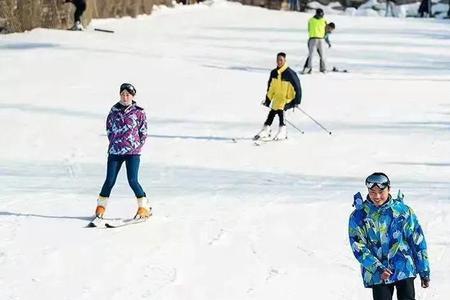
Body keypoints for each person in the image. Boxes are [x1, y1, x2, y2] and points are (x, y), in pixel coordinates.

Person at [348, 172, 430, 300]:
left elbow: (417, 241)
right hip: (378, 274)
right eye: (372, 192)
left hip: (404, 267)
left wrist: (424, 270)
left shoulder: (403, 211)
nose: (377, 196)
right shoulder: (359, 216)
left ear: (389, 189)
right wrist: (377, 268)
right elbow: (358, 246)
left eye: (381, 192)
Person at [95, 83, 151, 220]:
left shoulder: (139, 112)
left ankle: (144, 207)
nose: (125, 97)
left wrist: (136, 145)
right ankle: (101, 206)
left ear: (132, 96)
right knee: (109, 180)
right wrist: (114, 141)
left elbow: (143, 131)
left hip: (132, 152)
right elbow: (109, 129)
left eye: (128, 94)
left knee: (132, 180)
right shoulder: (114, 111)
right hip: (115, 151)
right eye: (123, 94)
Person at [254, 52, 302, 141]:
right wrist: (268, 100)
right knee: (272, 112)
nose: (279, 62)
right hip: (277, 98)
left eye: (281, 60)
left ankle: (282, 130)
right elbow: (271, 88)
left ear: (285, 60)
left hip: (288, 98)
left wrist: (297, 101)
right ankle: (266, 129)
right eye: (278, 60)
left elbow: (298, 87)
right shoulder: (273, 73)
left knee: (281, 110)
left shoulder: (290, 73)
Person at [302, 9, 328, 74]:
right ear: (317, 14)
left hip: (321, 39)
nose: (321, 16)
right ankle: (309, 68)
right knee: (311, 55)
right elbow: (309, 29)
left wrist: (325, 37)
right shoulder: (311, 20)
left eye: (322, 15)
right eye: (320, 15)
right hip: (313, 38)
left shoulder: (324, 20)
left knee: (323, 55)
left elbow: (326, 29)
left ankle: (323, 69)